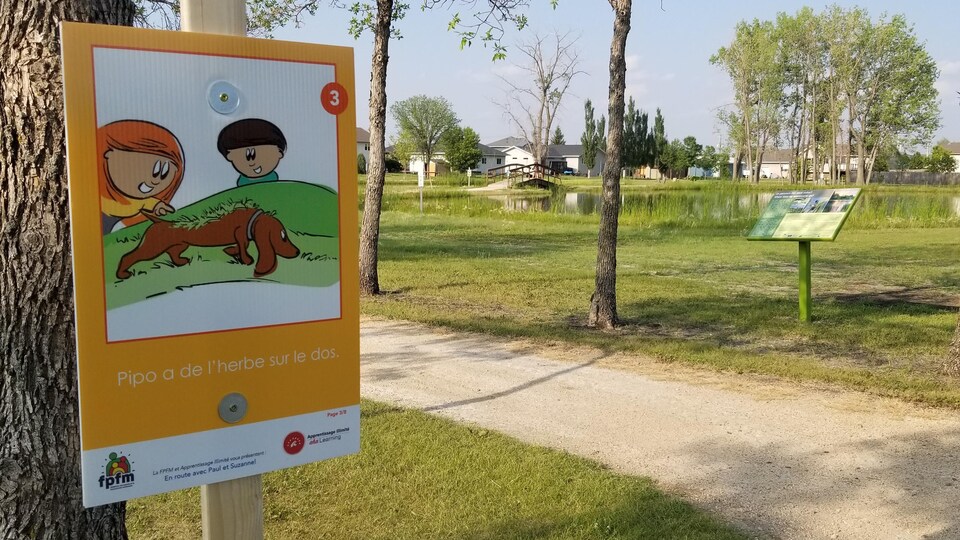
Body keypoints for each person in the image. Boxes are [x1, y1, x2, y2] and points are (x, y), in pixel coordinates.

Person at [98, 120, 185, 234]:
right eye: (138, 166)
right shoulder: (97, 198)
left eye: (163, 174)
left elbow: (147, 203)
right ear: (108, 154)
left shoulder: (137, 203)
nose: (155, 180)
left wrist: (159, 207)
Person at [216, 118, 287, 187]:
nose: (252, 163)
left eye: (264, 156)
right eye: (248, 157)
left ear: (279, 153)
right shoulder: (242, 182)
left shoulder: (273, 179)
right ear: (230, 156)